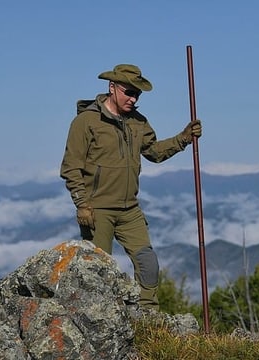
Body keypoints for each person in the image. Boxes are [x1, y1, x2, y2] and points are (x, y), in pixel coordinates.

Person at [60, 64, 202, 309]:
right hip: (97, 210)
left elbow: (154, 152)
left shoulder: (138, 122)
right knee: (98, 271)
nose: (133, 98)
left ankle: (148, 316)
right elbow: (71, 167)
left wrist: (183, 138)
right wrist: (82, 204)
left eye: (137, 94)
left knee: (148, 262)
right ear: (112, 88)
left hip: (130, 209)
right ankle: (99, 318)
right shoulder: (86, 122)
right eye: (129, 92)